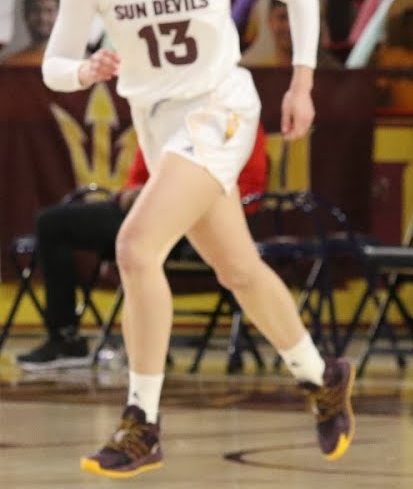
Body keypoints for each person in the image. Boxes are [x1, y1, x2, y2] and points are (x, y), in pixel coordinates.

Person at [42, 0, 352, 478]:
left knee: (135, 248)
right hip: (160, 129)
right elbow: (53, 66)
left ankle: (142, 422)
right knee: (238, 269)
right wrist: (84, 70)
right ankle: (323, 379)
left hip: (220, 111)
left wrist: (301, 85)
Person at [15, 124, 267, 370]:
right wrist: (133, 193)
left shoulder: (238, 118)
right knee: (52, 223)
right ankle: (64, 337)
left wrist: (174, 196)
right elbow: (136, 178)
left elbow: (246, 189)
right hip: (147, 208)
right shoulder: (164, 116)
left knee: (146, 240)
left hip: (198, 218)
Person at [1, 0, 59, 65]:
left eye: (49, 11)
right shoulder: (12, 64)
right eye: (36, 10)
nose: (43, 18)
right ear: (26, 16)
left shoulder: (72, 64)